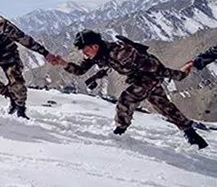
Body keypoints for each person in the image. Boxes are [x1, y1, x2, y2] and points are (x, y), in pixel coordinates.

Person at [52, 29, 207, 149]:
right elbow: (80, 70)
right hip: (140, 77)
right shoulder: (96, 54)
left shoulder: (120, 53)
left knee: (126, 99)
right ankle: (192, 135)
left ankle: (119, 133)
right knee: (163, 105)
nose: (84, 55)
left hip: (150, 75)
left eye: (85, 51)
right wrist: (63, 64)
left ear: (94, 46)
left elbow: (154, 66)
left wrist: (176, 75)